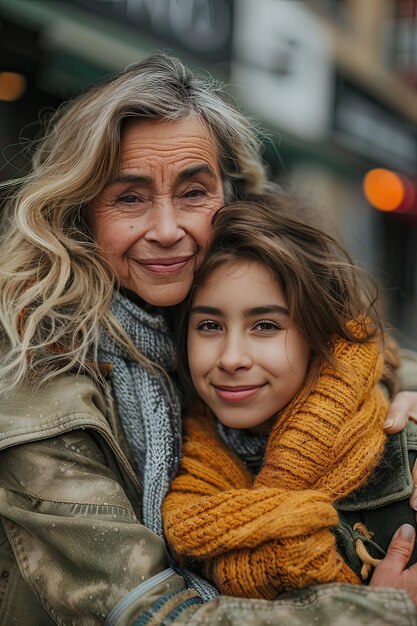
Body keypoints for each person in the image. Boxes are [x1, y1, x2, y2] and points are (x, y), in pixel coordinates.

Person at [0, 53, 417, 626]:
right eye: (130, 197)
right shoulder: (39, 380)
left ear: (230, 199)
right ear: (78, 215)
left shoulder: (191, 305)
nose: (168, 230)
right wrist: (381, 613)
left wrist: (408, 393)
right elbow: (148, 614)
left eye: (194, 192)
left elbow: (338, 339)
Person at [163, 196, 417, 600]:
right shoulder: (176, 469)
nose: (231, 358)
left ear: (316, 336)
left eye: (265, 325)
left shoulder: (406, 459)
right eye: (209, 325)